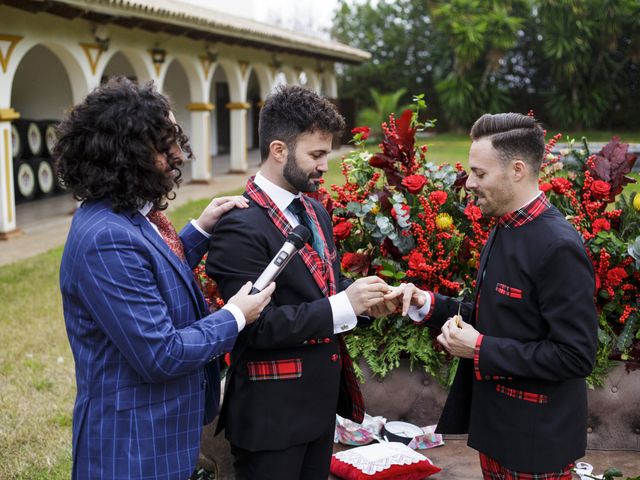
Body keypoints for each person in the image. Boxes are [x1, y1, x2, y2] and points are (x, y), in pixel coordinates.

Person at [55, 77, 274, 480]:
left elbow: (148, 274)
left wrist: (200, 230)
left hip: (156, 434)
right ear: (123, 154)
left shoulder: (127, 214)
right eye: (163, 145)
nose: (178, 155)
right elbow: (161, 353)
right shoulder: (106, 238)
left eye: (175, 139)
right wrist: (236, 316)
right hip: (132, 447)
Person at [386, 113, 598, 479]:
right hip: (496, 433)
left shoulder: (558, 246)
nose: (469, 183)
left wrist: (480, 348)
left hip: (536, 445)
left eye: (480, 174)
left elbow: (576, 356)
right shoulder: (505, 224)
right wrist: (427, 303)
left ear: (517, 170)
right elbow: (499, 314)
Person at [206, 85, 389, 480]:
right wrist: (344, 305)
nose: (325, 165)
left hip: (318, 410)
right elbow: (255, 327)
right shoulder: (239, 227)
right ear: (279, 150)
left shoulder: (314, 211)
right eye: (316, 155)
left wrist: (367, 303)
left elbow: (322, 286)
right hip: (271, 420)